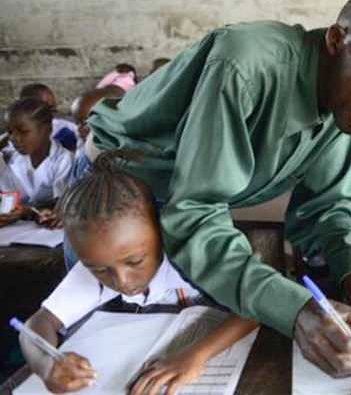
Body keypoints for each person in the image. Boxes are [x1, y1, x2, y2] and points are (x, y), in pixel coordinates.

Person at [79, 0, 351, 377]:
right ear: (338, 40)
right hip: (117, 200)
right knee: (105, 355)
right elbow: (196, 212)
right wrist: (297, 310)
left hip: (186, 205)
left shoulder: (345, 102)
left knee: (184, 349)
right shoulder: (246, 64)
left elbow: (328, 207)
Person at [17, 153, 260, 393]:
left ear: (159, 231)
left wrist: (196, 355)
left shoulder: (194, 255)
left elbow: (254, 307)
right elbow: (39, 323)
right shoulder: (96, 266)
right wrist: (46, 363)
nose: (121, 280)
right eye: (100, 270)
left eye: (134, 261)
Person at [0, 98, 73, 228]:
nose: (14, 139)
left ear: (47, 130)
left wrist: (28, 211)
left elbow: (63, 205)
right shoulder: (11, 159)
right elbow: (7, 199)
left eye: (23, 132)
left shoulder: (64, 160)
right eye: (10, 132)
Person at [17, 83, 78, 152]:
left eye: (55, 105)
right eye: (49, 107)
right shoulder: (15, 136)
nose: (56, 110)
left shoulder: (66, 128)